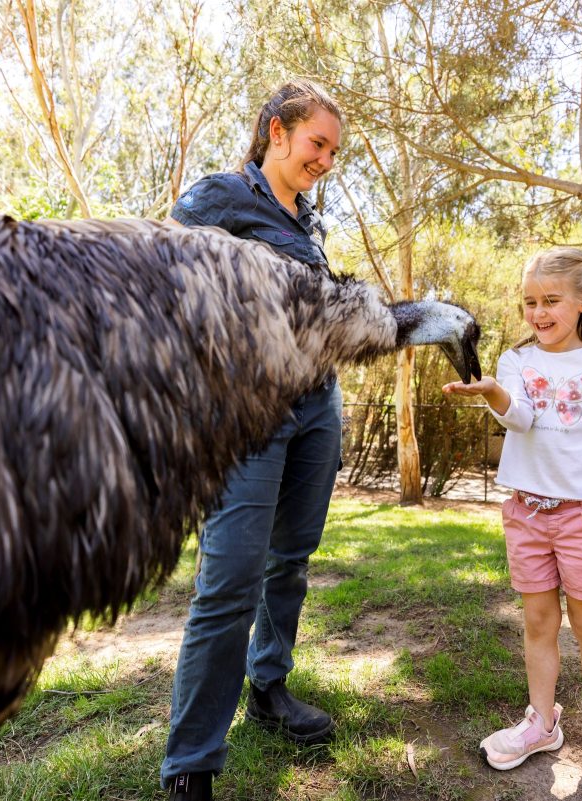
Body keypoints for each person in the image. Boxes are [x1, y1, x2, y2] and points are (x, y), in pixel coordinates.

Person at [160, 79, 345, 801]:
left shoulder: (310, 220)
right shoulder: (219, 197)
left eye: (332, 150)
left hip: (317, 408)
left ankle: (268, 686)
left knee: (290, 560)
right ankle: (192, 761)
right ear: (276, 131)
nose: (324, 158)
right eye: (315, 143)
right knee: (228, 579)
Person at [443, 247, 582, 801]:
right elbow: (521, 416)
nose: (538, 312)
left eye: (551, 300)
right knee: (538, 622)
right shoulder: (514, 360)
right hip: (527, 513)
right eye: (530, 301)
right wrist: (495, 395)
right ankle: (543, 723)